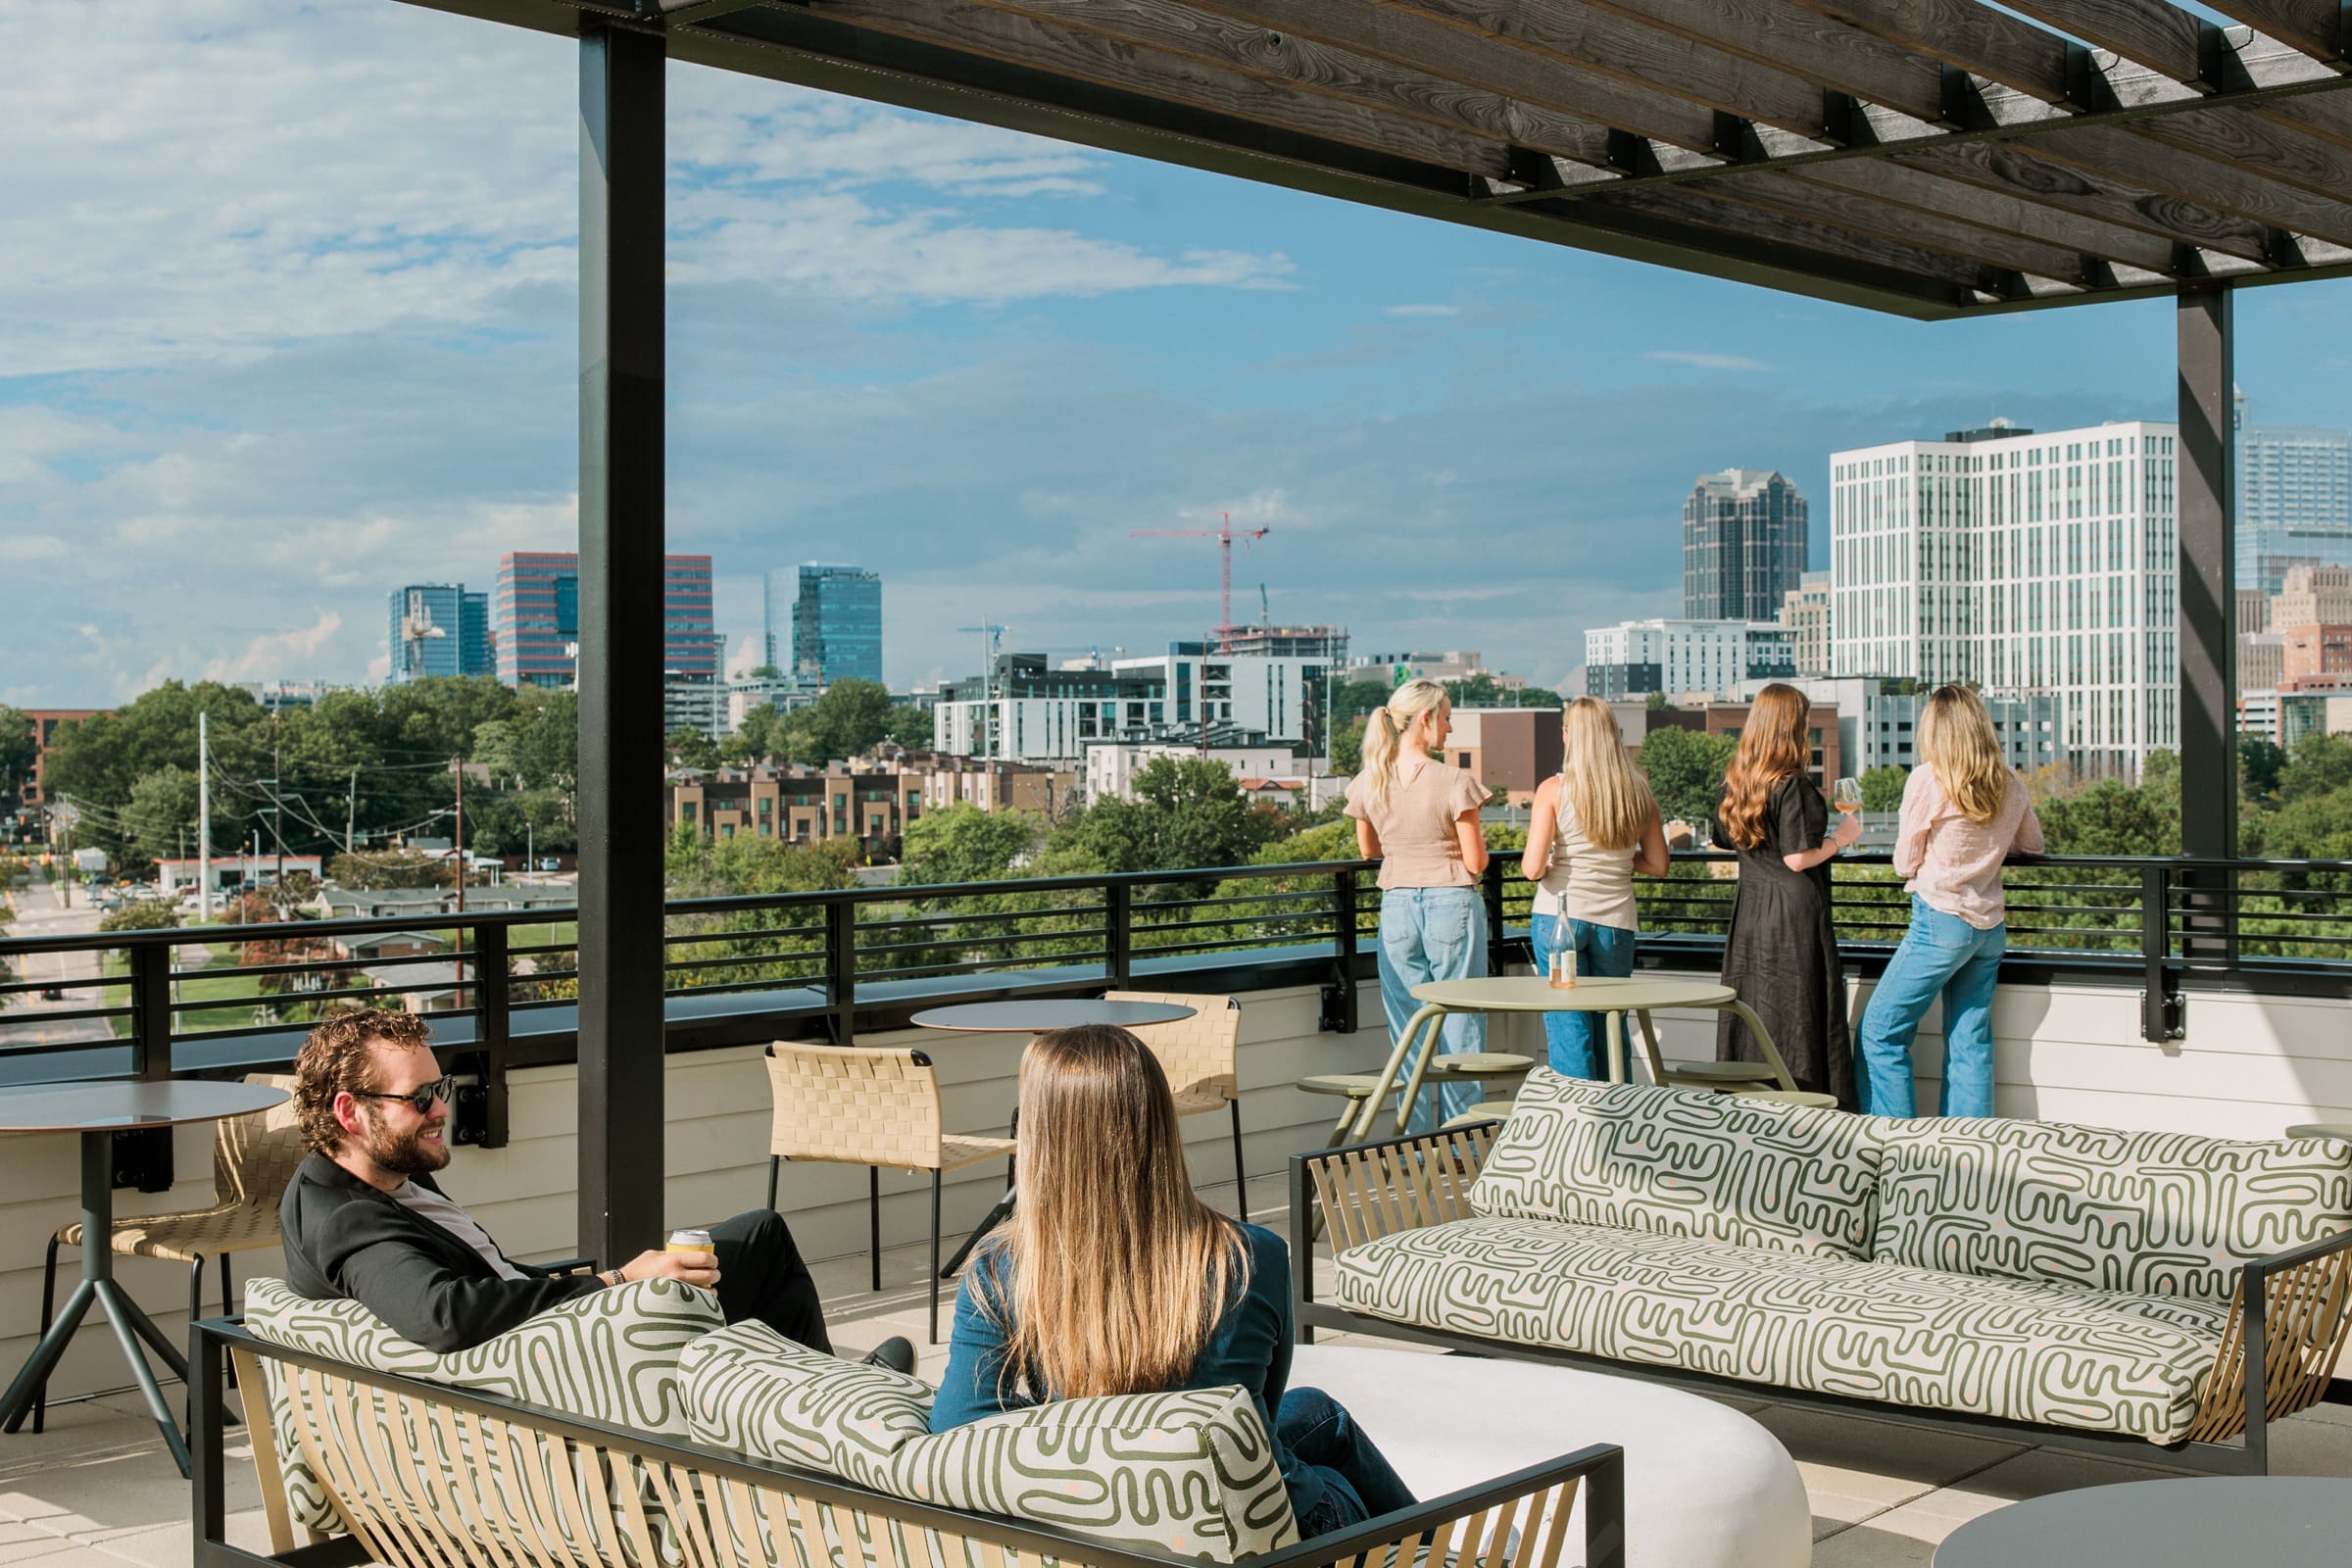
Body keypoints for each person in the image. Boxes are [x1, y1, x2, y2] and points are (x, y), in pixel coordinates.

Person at [931, 1025, 1414, 1539]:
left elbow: (958, 1426)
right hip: (1258, 1530)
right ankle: (1442, 1546)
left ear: (1038, 1133)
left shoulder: (999, 1266)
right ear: (1158, 1121)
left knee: (1317, 1410)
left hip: (1105, 1514)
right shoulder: (1253, 1257)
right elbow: (1253, 1428)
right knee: (1333, 1480)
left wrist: (1069, 1425)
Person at [279, 1007, 914, 1370]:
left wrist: (602, 1279)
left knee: (738, 1246)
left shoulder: (383, 1180)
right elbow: (442, 1315)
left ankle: (824, 1393)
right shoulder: (344, 1217)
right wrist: (617, 1284)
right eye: (420, 1097)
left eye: (439, 1089)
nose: (440, 1108)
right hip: (562, 1366)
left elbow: (485, 1278)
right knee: (761, 1240)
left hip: (550, 1337)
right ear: (349, 1112)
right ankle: (835, 1399)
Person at [1856, 685, 2045, 1118]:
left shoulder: (1928, 778)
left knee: (1881, 1032)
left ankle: (1894, 1149)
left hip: (1940, 923)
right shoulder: (2009, 780)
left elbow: (1905, 862)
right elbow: (2033, 846)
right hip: (1988, 929)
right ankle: (1966, 1160)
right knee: (1969, 1039)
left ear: (1934, 730)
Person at [1345, 677, 1493, 1130]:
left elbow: (1367, 850)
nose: (1449, 728)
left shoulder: (1369, 779)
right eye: (1446, 717)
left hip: (1397, 906)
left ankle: (1412, 1140)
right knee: (1459, 1024)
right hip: (1452, 899)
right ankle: (1465, 1141)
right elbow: (1475, 859)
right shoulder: (1454, 781)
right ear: (1426, 719)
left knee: (1406, 1027)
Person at [1711, 684, 1859, 1109]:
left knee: (1755, 1000)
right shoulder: (1792, 785)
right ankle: (1807, 1103)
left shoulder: (1736, 784)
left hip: (1752, 907)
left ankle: (1749, 1104)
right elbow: (1798, 858)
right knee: (1802, 1007)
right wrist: (1841, 839)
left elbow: (1722, 840)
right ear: (1794, 727)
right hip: (1794, 911)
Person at [1521, 698, 1669, 1078]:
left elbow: (1532, 868)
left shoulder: (1553, 790)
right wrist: (1617, 858)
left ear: (1569, 736)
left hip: (1560, 920)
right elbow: (1658, 864)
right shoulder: (1639, 790)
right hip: (1616, 922)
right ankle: (1618, 1119)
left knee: (1569, 1025)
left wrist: (1563, 859)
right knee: (1611, 1021)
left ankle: (1577, 1124)